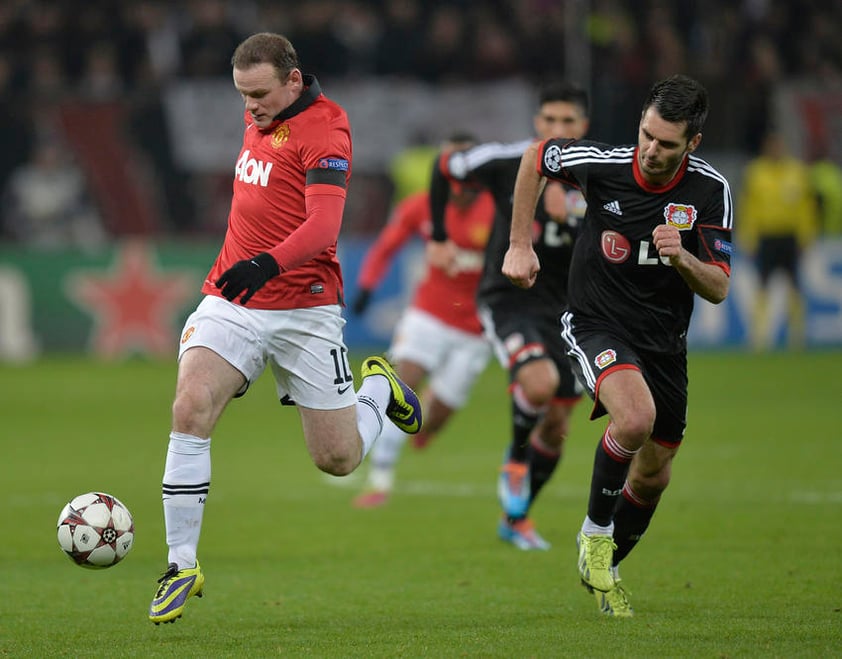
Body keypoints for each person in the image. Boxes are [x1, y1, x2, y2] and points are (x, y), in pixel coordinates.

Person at [147, 32, 422, 625]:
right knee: (190, 406)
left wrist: (267, 262)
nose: (250, 108)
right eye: (243, 96)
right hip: (234, 297)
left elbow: (325, 229)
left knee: (338, 460)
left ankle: (378, 390)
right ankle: (181, 563)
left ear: (293, 80)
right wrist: (248, 267)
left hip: (304, 308)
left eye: (260, 95)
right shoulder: (264, 113)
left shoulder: (327, 131)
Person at [503, 74, 733, 617]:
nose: (652, 150)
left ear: (691, 144)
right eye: (647, 135)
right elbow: (537, 156)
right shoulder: (605, 162)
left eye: (667, 143)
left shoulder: (709, 191)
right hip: (595, 321)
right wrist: (519, 244)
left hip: (664, 341)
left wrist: (684, 259)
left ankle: (605, 571)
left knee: (654, 475)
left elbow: (719, 286)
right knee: (634, 419)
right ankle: (594, 535)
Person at [428, 82, 590, 550]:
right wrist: (439, 236)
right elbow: (444, 167)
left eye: (568, 122)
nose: (558, 131)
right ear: (538, 123)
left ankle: (515, 517)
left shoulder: (600, 171)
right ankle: (516, 459)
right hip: (510, 298)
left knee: (558, 424)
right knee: (538, 386)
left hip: (571, 311)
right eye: (550, 121)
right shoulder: (507, 160)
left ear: (584, 127)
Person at [351, 134, 496, 509]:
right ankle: (379, 479)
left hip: (475, 329)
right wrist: (366, 288)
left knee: (437, 415)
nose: (458, 189)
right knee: (401, 385)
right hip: (428, 314)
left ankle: (426, 427)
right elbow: (386, 247)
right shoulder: (422, 206)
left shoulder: (499, 213)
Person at [739, 130, 818, 350]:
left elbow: (806, 208)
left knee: (795, 287)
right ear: (766, 147)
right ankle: (759, 336)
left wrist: (806, 235)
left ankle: (798, 335)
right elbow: (750, 207)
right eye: (771, 146)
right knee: (762, 287)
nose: (775, 150)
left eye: (778, 145)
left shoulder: (797, 172)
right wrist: (748, 236)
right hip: (766, 236)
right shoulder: (755, 173)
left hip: (790, 237)